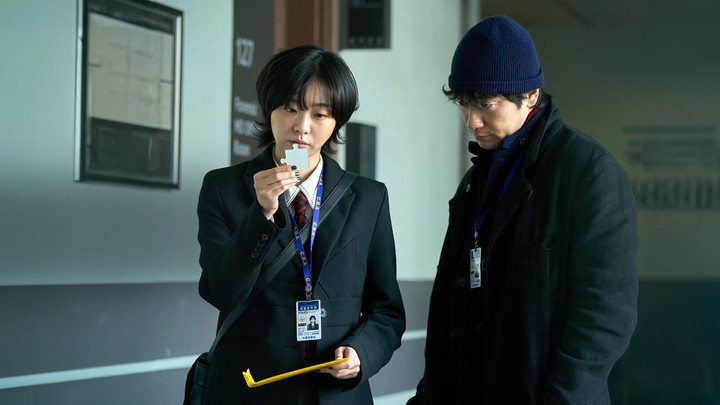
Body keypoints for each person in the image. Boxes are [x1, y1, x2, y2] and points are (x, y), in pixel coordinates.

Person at [408, 16, 638, 404]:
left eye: (485, 105)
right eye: (463, 103)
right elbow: (453, 305)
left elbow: (606, 314)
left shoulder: (588, 173)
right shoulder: (474, 182)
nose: (472, 120)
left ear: (530, 95)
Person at [197, 45, 405, 404]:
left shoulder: (369, 198)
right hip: (249, 389)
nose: (302, 127)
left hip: (335, 394)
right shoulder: (223, 187)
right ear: (269, 109)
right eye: (290, 108)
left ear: (337, 121)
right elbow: (218, 292)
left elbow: (387, 310)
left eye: (320, 114)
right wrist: (261, 214)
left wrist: (360, 353)